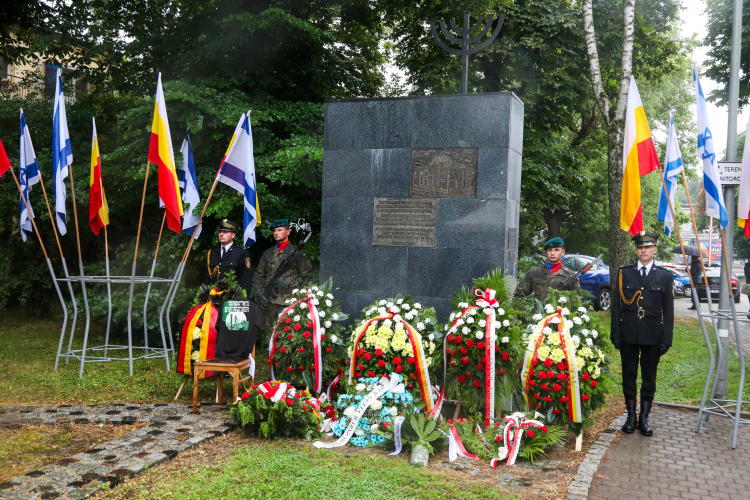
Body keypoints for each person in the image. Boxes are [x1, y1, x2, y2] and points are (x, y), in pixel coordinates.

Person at [611, 231, 674, 437]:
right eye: (640, 247)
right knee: (628, 375)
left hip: (652, 334)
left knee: (649, 377)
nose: (643, 250)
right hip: (628, 331)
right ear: (636, 250)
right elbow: (617, 307)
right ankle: (630, 416)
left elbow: (669, 311)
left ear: (655, 250)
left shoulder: (664, 276)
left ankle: (644, 417)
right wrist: (616, 333)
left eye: (647, 247)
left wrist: (666, 339)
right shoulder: (624, 273)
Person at [252, 219, 313, 330]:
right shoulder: (268, 253)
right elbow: (258, 275)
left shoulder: (296, 253)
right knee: (269, 334)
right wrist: (259, 293)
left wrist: (301, 298)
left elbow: (307, 276)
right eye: (274, 231)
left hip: (289, 302)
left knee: (287, 334)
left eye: (280, 230)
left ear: (288, 232)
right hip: (269, 301)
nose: (276, 233)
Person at [512, 237, 581, 301]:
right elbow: (517, 295)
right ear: (545, 252)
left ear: (562, 252)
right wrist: (525, 313)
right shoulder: (534, 273)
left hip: (560, 313)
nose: (553, 253)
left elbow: (577, 301)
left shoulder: (570, 276)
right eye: (549, 250)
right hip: (538, 313)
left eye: (556, 250)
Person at [203, 219, 254, 294]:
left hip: (233, 297)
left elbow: (246, 279)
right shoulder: (212, 252)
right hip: (213, 296)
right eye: (220, 232)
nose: (221, 234)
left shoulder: (241, 252)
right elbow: (207, 278)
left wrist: (244, 300)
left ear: (233, 235)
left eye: (225, 232)